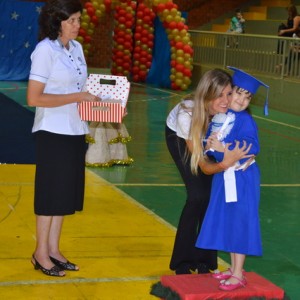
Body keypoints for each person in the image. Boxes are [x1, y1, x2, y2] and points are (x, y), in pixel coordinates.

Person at [27, 0, 99, 277]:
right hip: (52, 132)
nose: (77, 26)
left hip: (75, 130)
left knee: (63, 195)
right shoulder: (45, 51)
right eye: (72, 21)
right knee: (49, 195)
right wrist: (78, 97)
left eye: (79, 20)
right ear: (56, 22)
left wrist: (110, 105)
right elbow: (34, 97)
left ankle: (54, 250)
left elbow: (85, 90)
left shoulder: (77, 49)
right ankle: (40, 253)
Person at [165, 68, 252, 275]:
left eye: (229, 93)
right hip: (181, 138)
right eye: (219, 95)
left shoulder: (230, 112)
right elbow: (203, 166)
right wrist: (224, 164)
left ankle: (205, 260)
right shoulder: (187, 114)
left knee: (211, 197)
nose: (226, 100)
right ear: (207, 94)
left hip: (210, 139)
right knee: (197, 196)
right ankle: (183, 261)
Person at [196, 66, 269, 291]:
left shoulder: (245, 120)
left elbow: (252, 146)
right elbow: (213, 148)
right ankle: (234, 268)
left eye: (248, 96)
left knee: (240, 223)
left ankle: (238, 274)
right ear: (228, 93)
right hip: (224, 176)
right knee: (229, 221)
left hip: (242, 178)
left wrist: (224, 147)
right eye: (237, 93)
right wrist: (211, 146)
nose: (241, 99)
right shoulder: (222, 117)